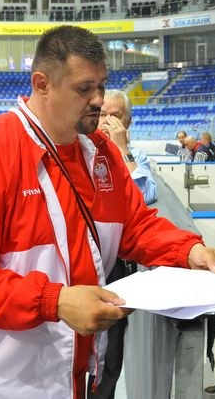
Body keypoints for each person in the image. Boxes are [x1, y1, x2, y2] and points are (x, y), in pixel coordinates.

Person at [0, 25, 215, 399]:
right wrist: (55, 301)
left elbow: (136, 226)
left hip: (76, 378)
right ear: (42, 83)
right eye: (84, 89)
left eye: (102, 85)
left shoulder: (102, 154)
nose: (98, 99)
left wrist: (186, 250)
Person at [88, 88, 156, 399]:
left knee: (111, 350)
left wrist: (121, 151)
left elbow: (144, 197)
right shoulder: (81, 151)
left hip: (119, 267)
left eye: (116, 115)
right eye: (104, 114)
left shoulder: (134, 155)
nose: (108, 121)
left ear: (128, 121)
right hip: (86, 262)